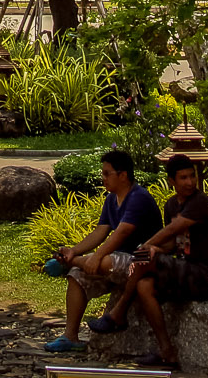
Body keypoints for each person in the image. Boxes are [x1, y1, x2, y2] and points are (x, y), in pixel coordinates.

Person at [99, 154, 208, 366]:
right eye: (183, 178)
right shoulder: (171, 205)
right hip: (182, 270)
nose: (190, 182)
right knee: (144, 285)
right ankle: (166, 350)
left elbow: (175, 228)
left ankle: (119, 311)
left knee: (145, 255)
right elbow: (173, 243)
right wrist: (155, 248)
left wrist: (147, 246)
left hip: (204, 275)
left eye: (192, 176)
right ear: (171, 181)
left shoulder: (200, 201)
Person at [41, 149, 164, 355]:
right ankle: (70, 336)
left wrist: (95, 257)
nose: (103, 178)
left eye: (107, 173)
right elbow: (100, 232)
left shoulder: (138, 197)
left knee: (107, 262)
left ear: (123, 175)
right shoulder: (111, 199)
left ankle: (69, 262)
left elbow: (122, 232)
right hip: (117, 260)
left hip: (141, 262)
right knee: (77, 275)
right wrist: (73, 250)